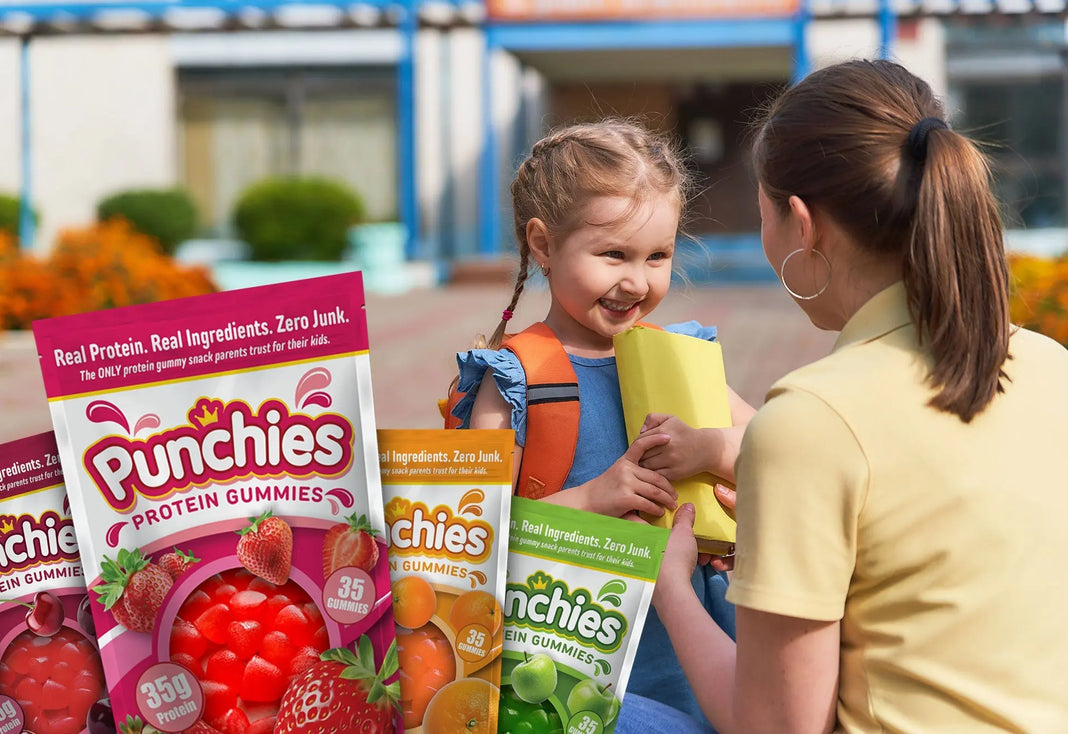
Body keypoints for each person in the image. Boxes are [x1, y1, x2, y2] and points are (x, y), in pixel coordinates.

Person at [652, 58, 1068, 733]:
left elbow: (775, 727)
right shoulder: (1052, 366)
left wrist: (672, 589)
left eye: (763, 216)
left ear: (802, 223)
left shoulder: (812, 419)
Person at [448, 119, 755, 732]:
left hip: (691, 658)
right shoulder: (515, 381)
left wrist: (709, 450)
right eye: (614, 254)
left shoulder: (679, 357)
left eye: (658, 256)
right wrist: (593, 499)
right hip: (564, 674)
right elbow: (466, 541)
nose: (637, 281)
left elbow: (778, 450)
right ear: (543, 244)